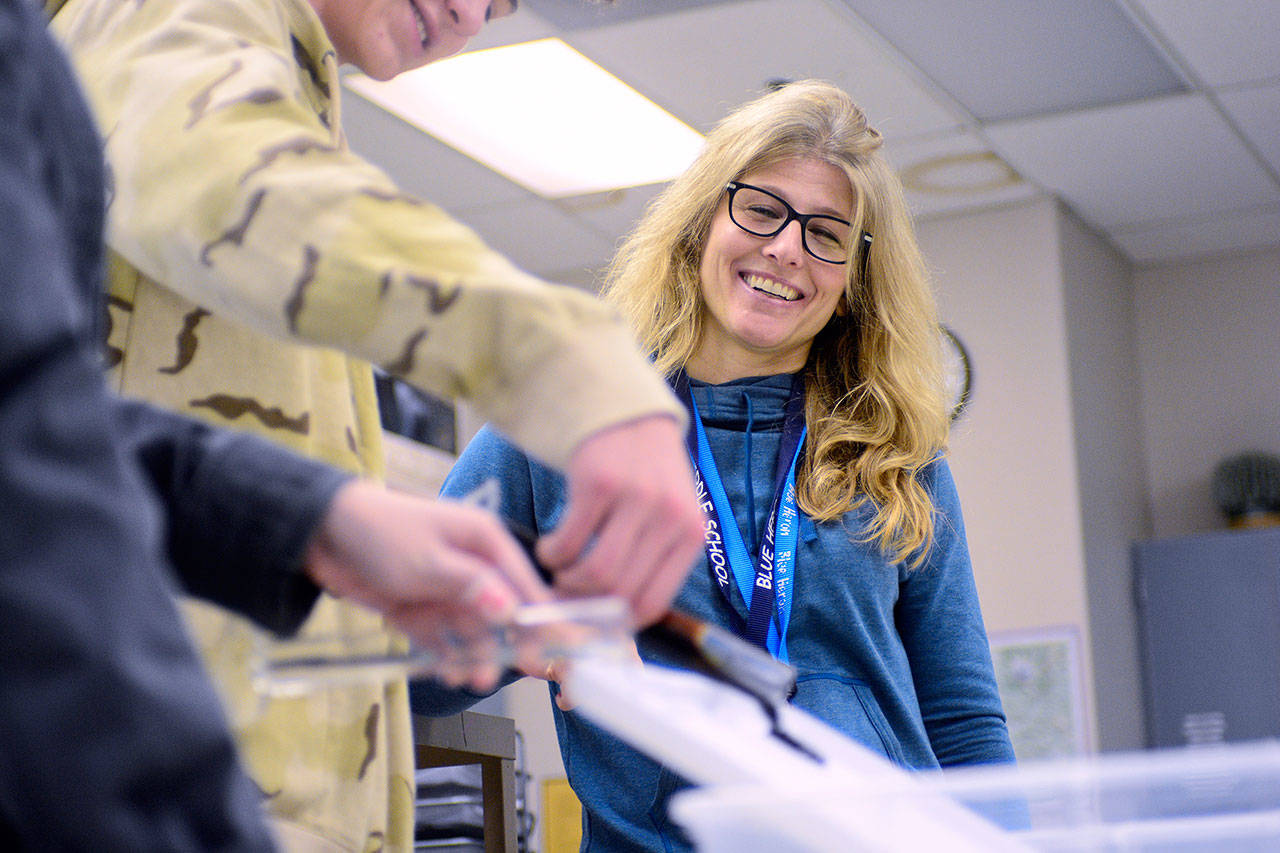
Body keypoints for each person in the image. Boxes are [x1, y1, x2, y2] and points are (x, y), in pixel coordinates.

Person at [45, 0, 705, 848]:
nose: (471, 9)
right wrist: (574, 368)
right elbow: (233, 181)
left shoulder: (296, 83)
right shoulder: (181, 13)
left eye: (504, 2)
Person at [417, 79, 1017, 851]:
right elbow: (415, 662)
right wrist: (531, 623)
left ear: (853, 277)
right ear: (704, 220)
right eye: (763, 211)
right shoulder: (563, 421)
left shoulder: (896, 454)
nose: (787, 248)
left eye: (827, 233)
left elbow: (962, 713)